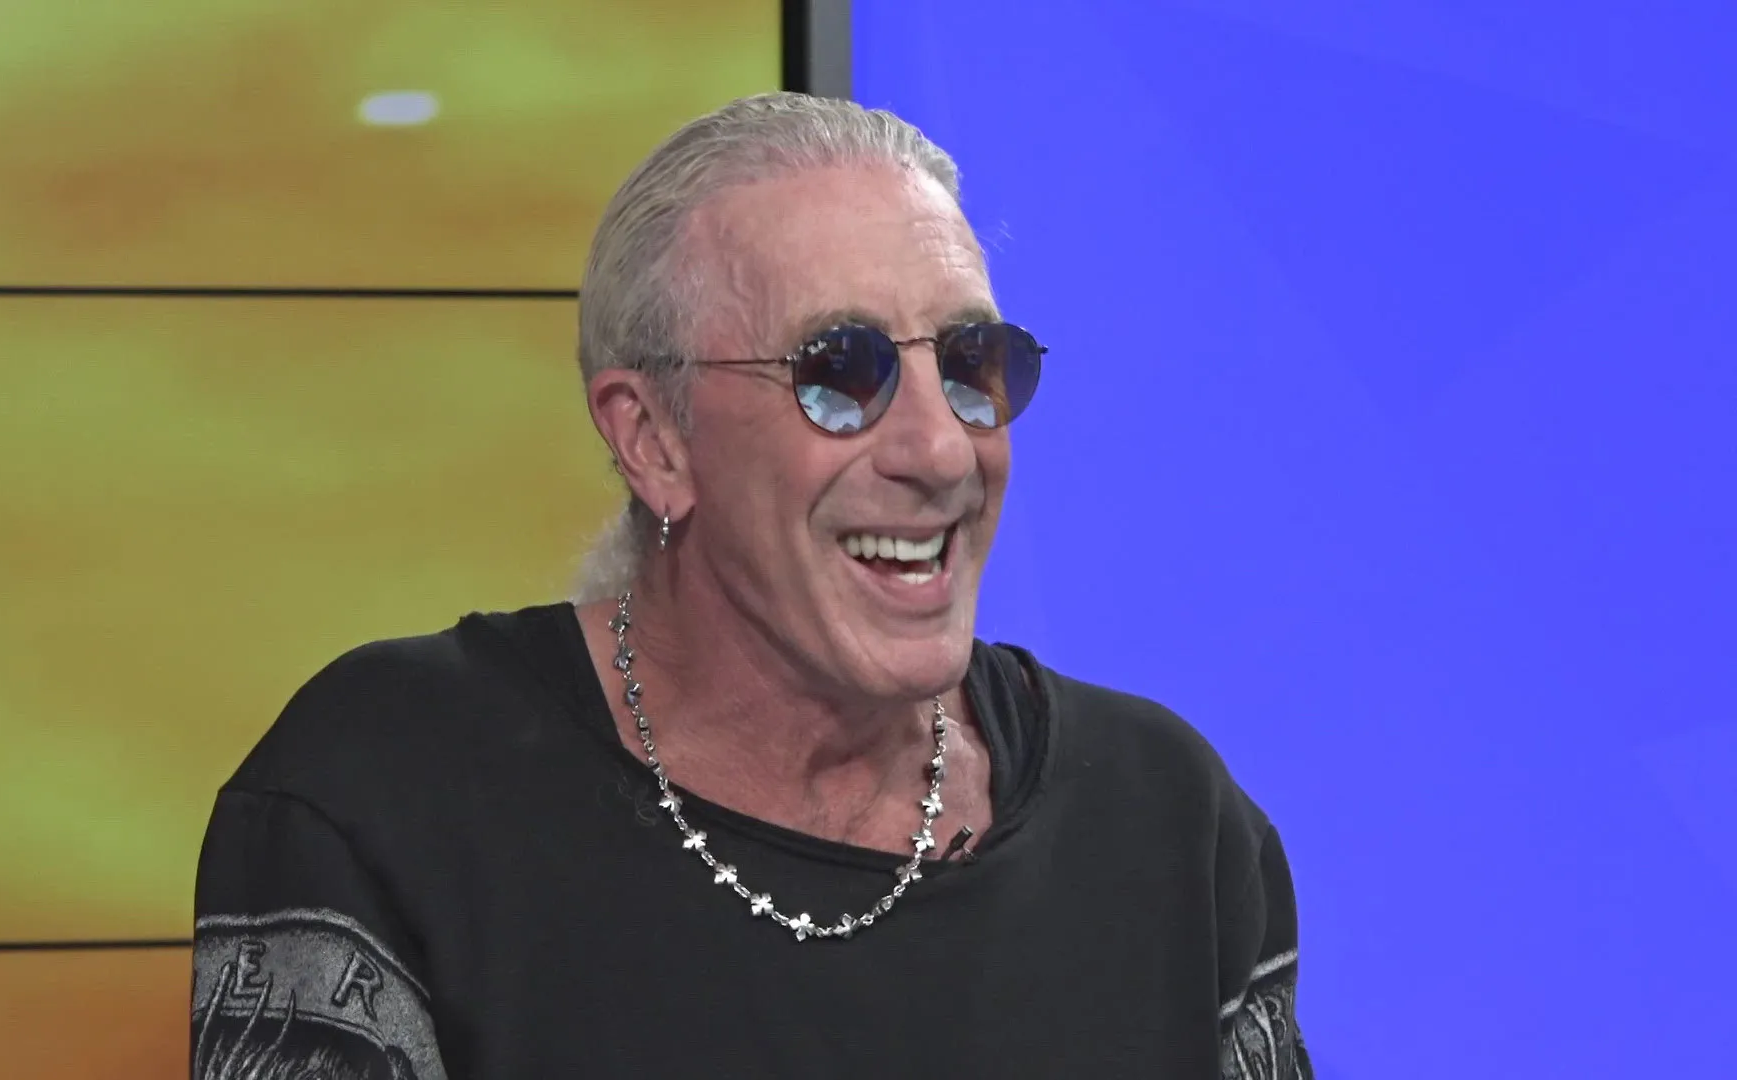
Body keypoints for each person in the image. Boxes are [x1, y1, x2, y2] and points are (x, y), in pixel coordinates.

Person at [193, 92, 1313, 1080]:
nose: (941, 450)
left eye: (970, 364)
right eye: (841, 374)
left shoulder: (1169, 822)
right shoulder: (385, 794)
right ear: (654, 441)